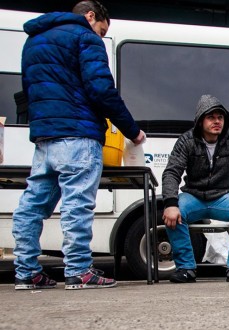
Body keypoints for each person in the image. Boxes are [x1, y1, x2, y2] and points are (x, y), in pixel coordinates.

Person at [13, 1, 146, 290]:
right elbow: (101, 89)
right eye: (101, 30)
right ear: (90, 16)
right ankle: (78, 270)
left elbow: (29, 89)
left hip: (45, 136)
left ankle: (26, 272)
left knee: (32, 206)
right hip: (78, 134)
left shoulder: (34, 40)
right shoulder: (85, 38)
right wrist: (132, 131)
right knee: (77, 205)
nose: (100, 36)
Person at [162, 94, 229, 283]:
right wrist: (171, 203)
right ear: (200, 120)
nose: (216, 121)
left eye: (220, 117)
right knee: (173, 212)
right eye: (211, 117)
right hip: (193, 196)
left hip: (223, 197)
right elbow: (171, 173)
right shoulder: (186, 141)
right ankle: (186, 268)